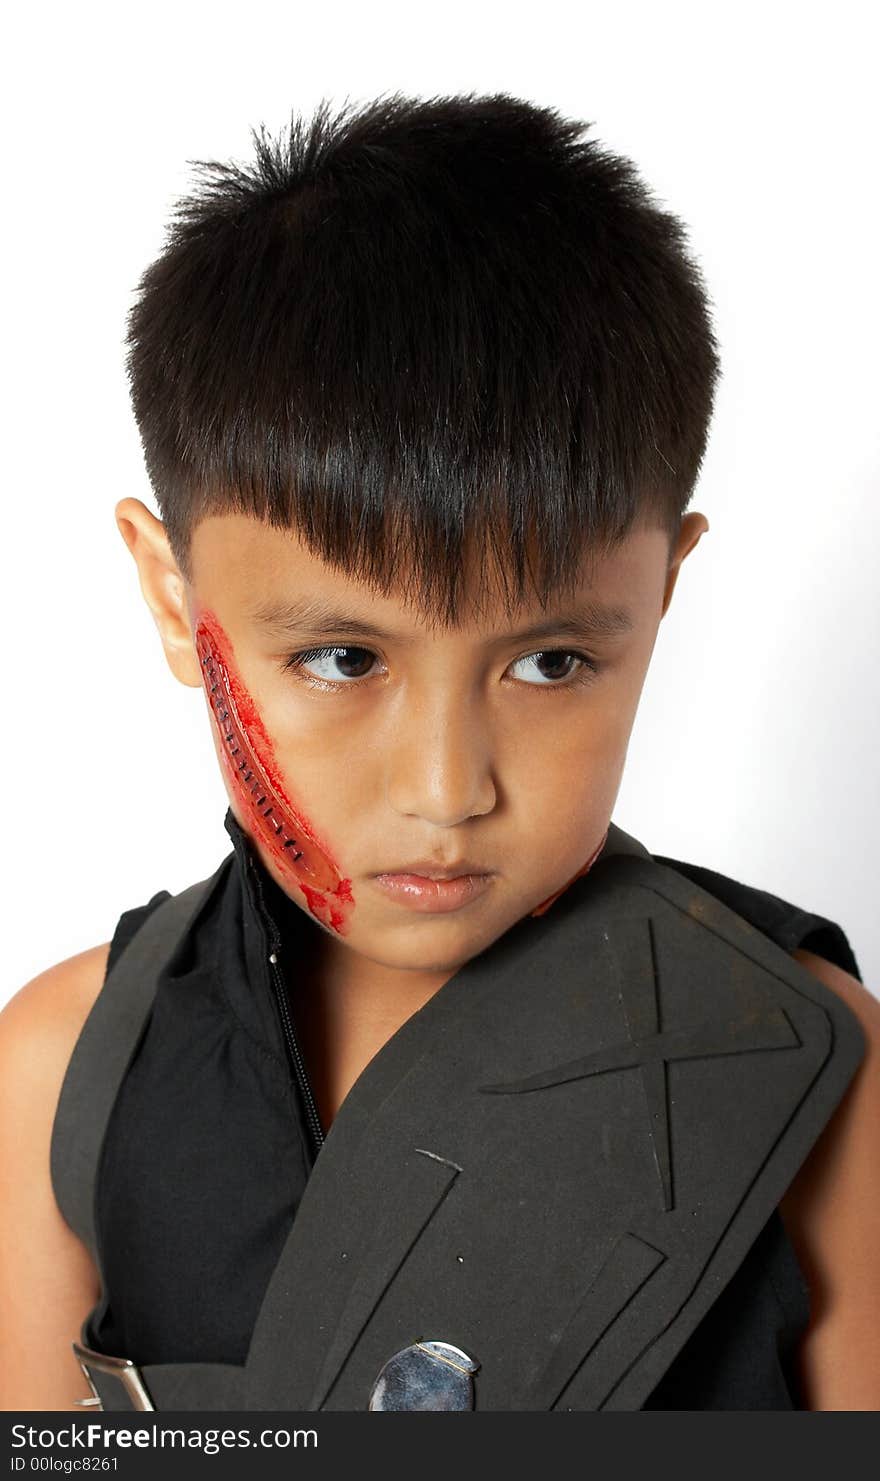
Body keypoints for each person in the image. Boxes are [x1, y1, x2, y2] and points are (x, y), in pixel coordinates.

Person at [1, 91, 877, 1413]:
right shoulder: (67, 1065)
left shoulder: (812, 1063)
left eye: (550, 662)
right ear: (179, 605)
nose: (447, 787)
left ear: (663, 591)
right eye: (344, 658)